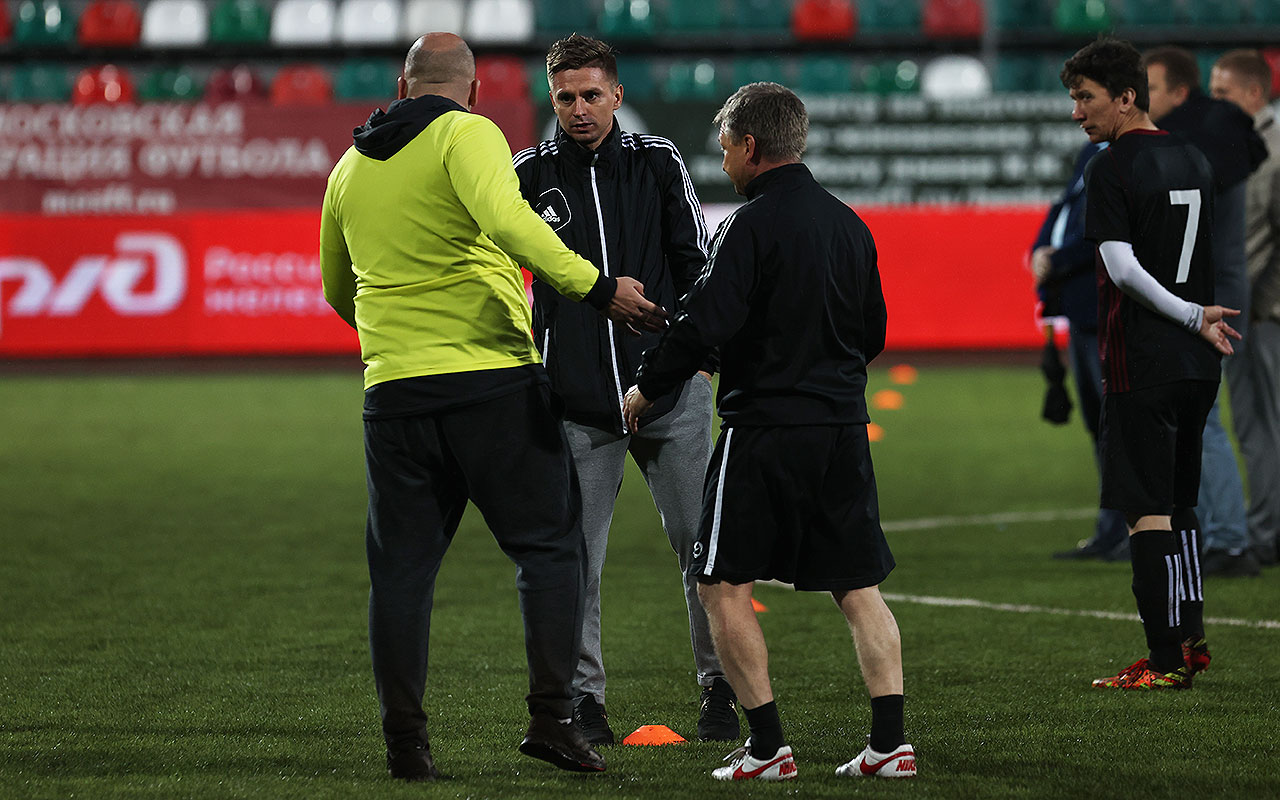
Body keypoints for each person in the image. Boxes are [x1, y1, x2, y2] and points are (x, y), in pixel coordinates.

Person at [319, 32, 669, 781]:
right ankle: (554, 719)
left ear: (401, 87)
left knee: (402, 575)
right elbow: (511, 223)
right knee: (551, 549)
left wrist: (397, 344)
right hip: (490, 382)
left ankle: (406, 745)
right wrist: (598, 288)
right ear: (473, 91)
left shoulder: (347, 169)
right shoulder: (467, 133)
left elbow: (337, 290)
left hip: (394, 395)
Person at [622, 82, 915, 781]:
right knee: (859, 587)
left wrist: (648, 386)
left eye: (726, 147)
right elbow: (872, 332)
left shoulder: (746, 226)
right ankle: (890, 745)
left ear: (751, 146)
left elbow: (705, 323)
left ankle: (767, 748)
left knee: (719, 583)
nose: (724, 160)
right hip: (841, 427)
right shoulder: (850, 224)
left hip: (764, 431)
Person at [511, 34, 737, 745]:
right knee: (578, 560)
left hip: (669, 395)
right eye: (565, 98)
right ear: (552, 100)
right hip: (578, 404)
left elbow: (697, 266)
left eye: (590, 95)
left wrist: (697, 364)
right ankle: (585, 701)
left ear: (616, 94)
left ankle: (721, 688)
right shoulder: (527, 174)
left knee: (702, 550)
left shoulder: (657, 160)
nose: (579, 109)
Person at [1062, 38, 1242, 691]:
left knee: (1145, 511)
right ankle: (1191, 642)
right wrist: (1199, 320)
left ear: (1125, 96)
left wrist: (1189, 315)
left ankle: (1163, 662)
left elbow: (1122, 269)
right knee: (1181, 505)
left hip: (1143, 356)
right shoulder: (1192, 155)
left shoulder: (1110, 166)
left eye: (1086, 97)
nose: (1077, 112)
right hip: (1198, 360)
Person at [1144, 46, 1268, 578]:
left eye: (1149, 89)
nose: (1139, 100)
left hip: (1211, 299)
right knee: (1206, 420)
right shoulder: (1222, 134)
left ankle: (1230, 540)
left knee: (1206, 422)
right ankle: (1222, 534)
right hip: (1218, 292)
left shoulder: (1200, 140)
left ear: (1179, 91)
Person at [1031, 139, 1131, 562]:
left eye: (1086, 104)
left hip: (1105, 310)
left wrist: (1055, 259)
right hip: (1082, 310)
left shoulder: (1122, 155)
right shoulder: (1092, 153)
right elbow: (1064, 207)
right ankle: (1111, 531)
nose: (1078, 112)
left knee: (1118, 425)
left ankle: (1132, 531)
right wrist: (1040, 250)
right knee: (1100, 425)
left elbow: (1102, 232)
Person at [1209, 49, 1280, 571]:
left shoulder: (1271, 152)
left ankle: (1266, 533)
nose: (1214, 103)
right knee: (1256, 428)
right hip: (1247, 310)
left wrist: (1251, 304)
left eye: (1223, 93)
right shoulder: (1244, 146)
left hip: (1263, 314)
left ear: (1254, 94)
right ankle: (1266, 529)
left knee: (1263, 427)